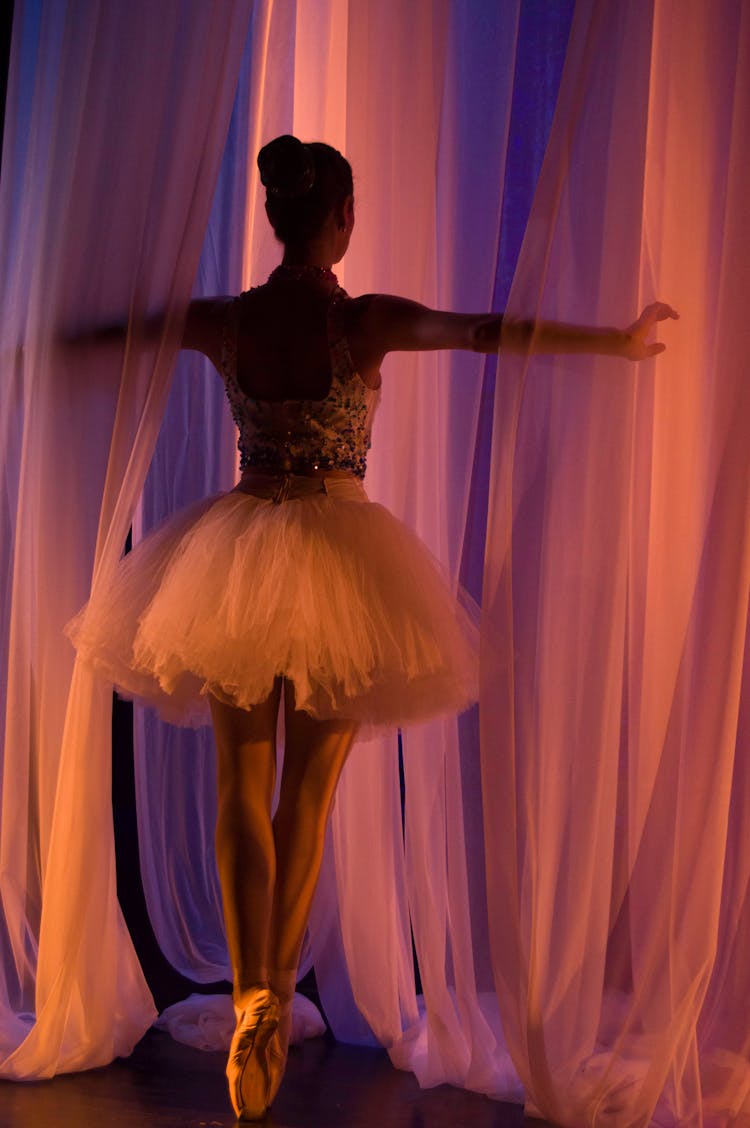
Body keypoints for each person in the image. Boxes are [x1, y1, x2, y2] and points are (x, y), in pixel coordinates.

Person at [68, 134, 677, 1120]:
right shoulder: (363, 320)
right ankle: (265, 1004)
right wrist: (613, 341)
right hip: (342, 563)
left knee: (238, 782)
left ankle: (253, 999)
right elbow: (491, 331)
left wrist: (36, 331)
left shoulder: (227, 321)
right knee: (304, 796)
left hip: (232, 559)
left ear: (275, 219)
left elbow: (119, 332)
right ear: (341, 218)